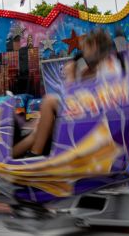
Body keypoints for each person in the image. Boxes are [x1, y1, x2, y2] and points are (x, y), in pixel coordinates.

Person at [12, 28, 115, 158]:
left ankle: (33, 154)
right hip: (82, 110)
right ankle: (27, 156)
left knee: (49, 102)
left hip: (90, 112)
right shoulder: (85, 63)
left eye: (86, 48)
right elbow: (74, 90)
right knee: (40, 130)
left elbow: (75, 94)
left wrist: (74, 77)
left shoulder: (104, 65)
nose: (84, 51)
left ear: (94, 46)